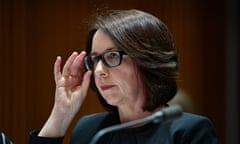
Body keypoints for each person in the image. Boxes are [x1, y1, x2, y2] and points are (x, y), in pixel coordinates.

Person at [29, 9, 217, 144]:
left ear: (146, 60)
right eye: (95, 59)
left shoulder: (188, 131)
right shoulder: (91, 130)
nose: (98, 70)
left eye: (112, 56)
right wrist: (61, 113)